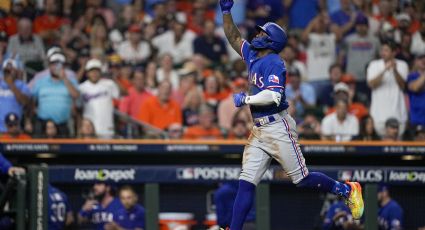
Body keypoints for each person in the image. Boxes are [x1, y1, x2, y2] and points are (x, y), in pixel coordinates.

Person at [219, 1, 363, 229]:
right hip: (259, 129)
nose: (257, 34)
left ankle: (347, 189)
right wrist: (226, 12)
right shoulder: (254, 55)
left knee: (302, 179)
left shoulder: (275, 62)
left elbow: (273, 96)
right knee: (246, 183)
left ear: (271, 41)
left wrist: (246, 99)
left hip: (278, 126)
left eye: (262, 32)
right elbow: (234, 38)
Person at [31, 53, 80, 137]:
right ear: (49, 66)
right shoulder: (40, 81)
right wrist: (31, 114)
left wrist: (64, 78)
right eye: (53, 64)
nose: (56, 67)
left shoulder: (71, 81)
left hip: (63, 123)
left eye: (59, 64)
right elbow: (31, 99)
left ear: (63, 67)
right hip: (43, 123)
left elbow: (76, 95)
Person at [367, 40, 408, 137]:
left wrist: (395, 70)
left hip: (398, 115)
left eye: (386, 50)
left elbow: (403, 85)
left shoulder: (402, 65)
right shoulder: (374, 65)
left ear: (394, 52)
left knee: (398, 148)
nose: (383, 53)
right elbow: (371, 84)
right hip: (378, 116)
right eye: (382, 50)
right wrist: (385, 69)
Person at [79, 59, 120, 138]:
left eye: (97, 71)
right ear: (87, 73)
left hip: (107, 125)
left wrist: (115, 78)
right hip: (89, 128)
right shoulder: (81, 88)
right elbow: (78, 108)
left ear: (100, 72)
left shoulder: (109, 84)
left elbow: (122, 94)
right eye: (92, 71)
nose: (94, 73)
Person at [0, 58, 30, 133]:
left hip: (14, 129)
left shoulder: (22, 85)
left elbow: (24, 102)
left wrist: (11, 85)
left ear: (16, 71)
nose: (8, 73)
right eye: (6, 71)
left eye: (11, 70)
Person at [406, 53, 425, 129]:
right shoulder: (412, 76)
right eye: (421, 58)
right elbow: (415, 87)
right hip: (417, 119)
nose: (424, 60)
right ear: (416, 62)